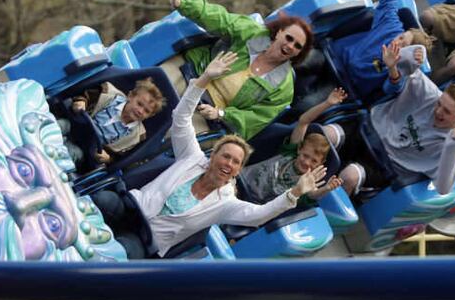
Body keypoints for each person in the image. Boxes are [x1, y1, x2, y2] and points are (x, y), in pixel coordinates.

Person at [92, 52, 327, 259]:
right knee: (100, 200)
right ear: (214, 156)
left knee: (119, 252)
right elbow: (181, 118)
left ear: (237, 170)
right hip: (133, 206)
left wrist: (295, 192)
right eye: (226, 156)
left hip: (145, 239)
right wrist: (203, 81)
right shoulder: (192, 156)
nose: (229, 163)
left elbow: (257, 215)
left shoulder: (225, 203)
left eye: (236, 162)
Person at [160, 0, 314, 140]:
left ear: (299, 53)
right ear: (279, 33)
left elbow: (256, 118)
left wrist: (221, 114)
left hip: (207, 110)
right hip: (192, 74)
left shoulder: (284, 86)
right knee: (149, 91)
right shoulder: (253, 32)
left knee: (172, 138)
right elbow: (219, 19)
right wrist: (181, 4)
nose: (290, 46)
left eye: (297, 46)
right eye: (289, 38)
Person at [339, 43, 455, 196]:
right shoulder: (430, 94)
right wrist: (417, 53)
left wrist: (454, 145)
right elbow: (409, 63)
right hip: (371, 130)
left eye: (446, 111)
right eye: (439, 103)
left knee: (348, 176)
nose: (438, 111)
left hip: (386, 165)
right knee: (327, 134)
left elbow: (443, 188)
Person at [327, 0, 431, 100]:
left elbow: (393, 89)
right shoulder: (391, 26)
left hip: (343, 87)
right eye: (402, 37)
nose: (398, 42)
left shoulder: (400, 69)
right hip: (334, 54)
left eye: (403, 45)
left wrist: (392, 68)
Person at [239, 88, 348, 206]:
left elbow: (312, 194)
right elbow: (304, 121)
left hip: (253, 204)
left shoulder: (309, 180)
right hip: (238, 180)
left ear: (320, 164)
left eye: (314, 161)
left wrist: (326, 188)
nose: (307, 162)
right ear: (299, 149)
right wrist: (328, 104)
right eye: (306, 155)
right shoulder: (290, 152)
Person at [61, 78, 164, 165]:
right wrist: (81, 102)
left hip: (85, 148)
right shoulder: (109, 95)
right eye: (139, 104)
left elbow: (118, 156)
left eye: (146, 111)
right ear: (130, 96)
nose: (140, 111)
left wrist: (108, 158)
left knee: (71, 155)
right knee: (60, 125)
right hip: (75, 124)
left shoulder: (135, 136)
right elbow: (86, 96)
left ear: (150, 116)